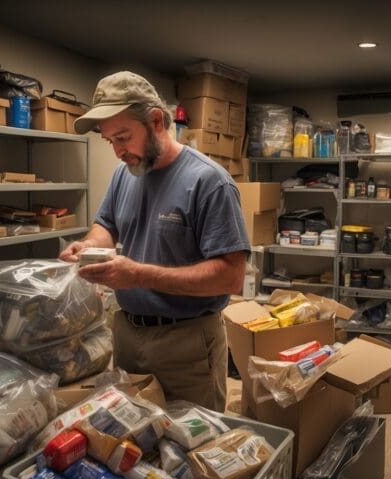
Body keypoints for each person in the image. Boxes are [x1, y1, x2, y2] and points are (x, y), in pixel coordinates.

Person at [59, 71, 249, 411]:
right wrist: (89, 245)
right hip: (128, 334)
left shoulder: (209, 182)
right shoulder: (124, 174)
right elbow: (106, 224)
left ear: (157, 120)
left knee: (192, 445)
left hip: (186, 341)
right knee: (137, 441)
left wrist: (139, 275)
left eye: (123, 137)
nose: (118, 151)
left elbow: (231, 277)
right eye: (111, 142)